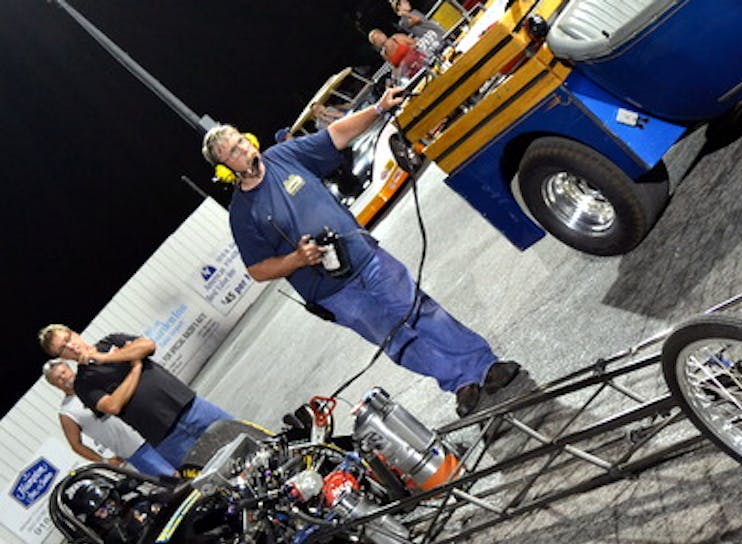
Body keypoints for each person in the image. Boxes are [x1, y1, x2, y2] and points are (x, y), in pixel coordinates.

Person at [200, 87, 519, 417]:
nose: (243, 150)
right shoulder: (242, 213)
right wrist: (295, 260)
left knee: (418, 309)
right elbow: (256, 269)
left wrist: (379, 108)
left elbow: (335, 135)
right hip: (331, 292)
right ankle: (458, 382)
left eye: (241, 141)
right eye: (232, 153)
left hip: (364, 256)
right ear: (225, 169)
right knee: (395, 339)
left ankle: (484, 367)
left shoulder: (284, 156)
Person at [37, 325, 233, 469]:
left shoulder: (110, 340)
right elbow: (113, 406)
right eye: (62, 348)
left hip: (191, 407)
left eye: (68, 339)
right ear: (61, 356)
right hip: (166, 438)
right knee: (213, 476)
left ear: (75, 333)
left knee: (246, 439)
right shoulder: (83, 384)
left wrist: (105, 358)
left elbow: (147, 345)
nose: (71, 346)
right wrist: (135, 366)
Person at [43, 359, 176, 478]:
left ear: (69, 368)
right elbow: (76, 445)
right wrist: (104, 461)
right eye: (58, 378)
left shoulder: (95, 380)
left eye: (63, 372)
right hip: (135, 450)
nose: (64, 378)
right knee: (173, 479)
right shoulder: (67, 412)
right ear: (54, 385)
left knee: (188, 466)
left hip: (155, 430)